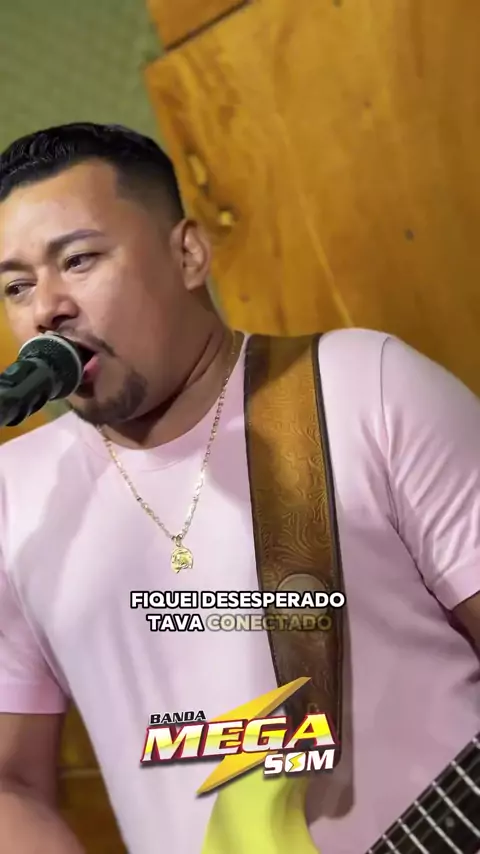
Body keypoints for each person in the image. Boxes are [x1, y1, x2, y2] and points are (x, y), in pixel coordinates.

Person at [0, 122, 478, 854]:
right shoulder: (18, 496)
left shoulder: (362, 387)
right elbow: (12, 783)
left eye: (80, 260)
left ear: (188, 253)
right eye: (17, 286)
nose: (47, 308)